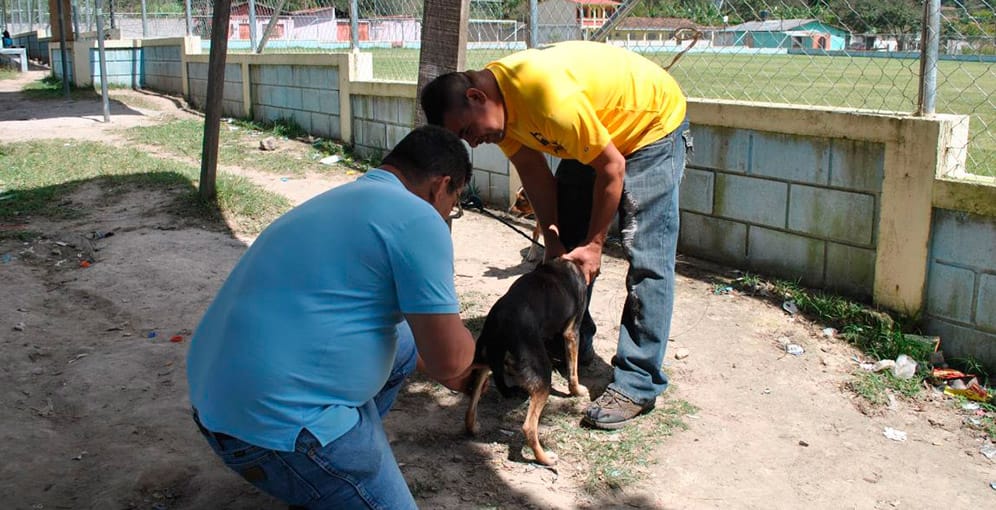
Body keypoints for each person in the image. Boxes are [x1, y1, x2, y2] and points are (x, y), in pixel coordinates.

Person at [187, 125, 478, 509]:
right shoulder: (418, 218)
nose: (447, 213)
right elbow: (450, 362)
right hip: (273, 434)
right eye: (453, 202)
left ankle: (338, 462)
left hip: (214, 406)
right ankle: (331, 465)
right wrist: (474, 345)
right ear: (442, 186)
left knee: (404, 342)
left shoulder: (339, 198)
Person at [421, 40, 691, 431]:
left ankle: (638, 381)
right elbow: (534, 174)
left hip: (652, 128)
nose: (472, 142)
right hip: (599, 132)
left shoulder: (547, 99)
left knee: (647, 257)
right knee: (567, 244)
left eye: (467, 131)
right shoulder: (502, 115)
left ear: (477, 97)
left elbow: (611, 168)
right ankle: (567, 347)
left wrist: (596, 244)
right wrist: (553, 239)